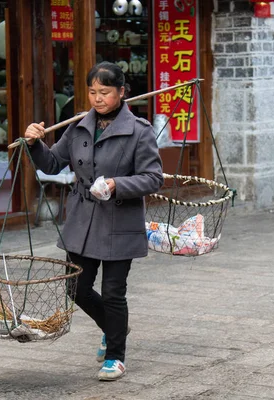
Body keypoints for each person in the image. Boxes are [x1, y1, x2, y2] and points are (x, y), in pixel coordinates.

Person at [25, 62, 163, 381]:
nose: (97, 99)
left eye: (105, 92)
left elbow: (153, 178)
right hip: (82, 219)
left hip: (119, 219)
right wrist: (34, 143)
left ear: (121, 92)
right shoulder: (78, 127)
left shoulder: (139, 131)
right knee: (76, 287)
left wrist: (117, 184)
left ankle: (115, 355)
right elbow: (53, 162)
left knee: (114, 292)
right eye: (92, 92)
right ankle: (114, 326)